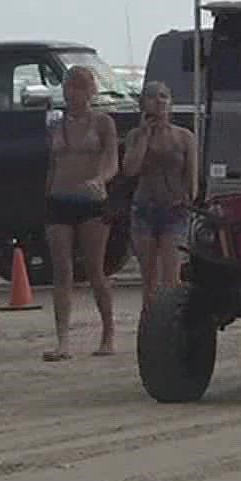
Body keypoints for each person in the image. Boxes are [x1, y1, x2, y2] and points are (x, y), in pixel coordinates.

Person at [43, 66, 119, 360]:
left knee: (95, 270)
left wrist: (100, 179)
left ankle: (108, 333)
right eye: (69, 86)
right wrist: (45, 194)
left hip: (90, 200)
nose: (73, 92)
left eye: (79, 86)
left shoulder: (103, 123)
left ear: (91, 91)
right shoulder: (56, 125)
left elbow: (112, 160)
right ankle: (62, 340)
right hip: (59, 199)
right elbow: (52, 165)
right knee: (62, 270)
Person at [121, 81, 196, 307]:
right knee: (149, 279)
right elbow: (130, 169)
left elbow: (192, 176)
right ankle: (149, 325)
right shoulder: (135, 136)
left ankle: (170, 327)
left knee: (171, 277)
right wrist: (145, 135)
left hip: (174, 208)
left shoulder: (184, 137)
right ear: (144, 103)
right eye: (153, 97)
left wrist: (188, 199)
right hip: (145, 207)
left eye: (164, 96)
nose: (159, 101)